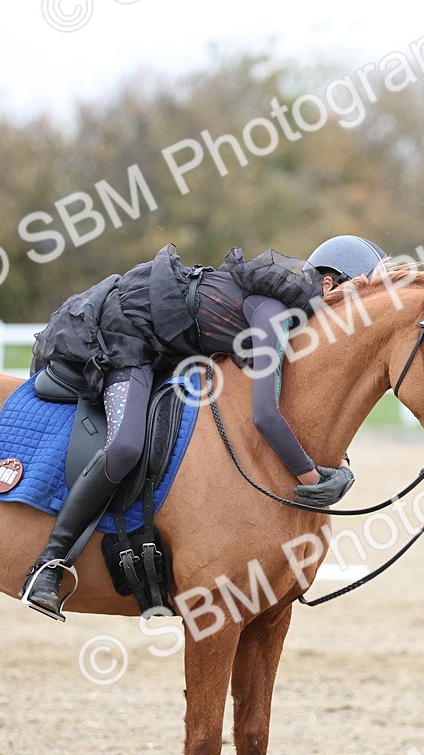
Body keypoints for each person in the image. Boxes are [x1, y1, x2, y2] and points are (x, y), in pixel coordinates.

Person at [21, 235, 388, 620]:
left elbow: (293, 407)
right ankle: (49, 564)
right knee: (126, 445)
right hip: (125, 333)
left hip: (167, 343)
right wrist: (312, 479)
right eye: (357, 298)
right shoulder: (274, 315)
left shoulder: (296, 321)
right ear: (327, 284)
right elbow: (265, 415)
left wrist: (341, 463)